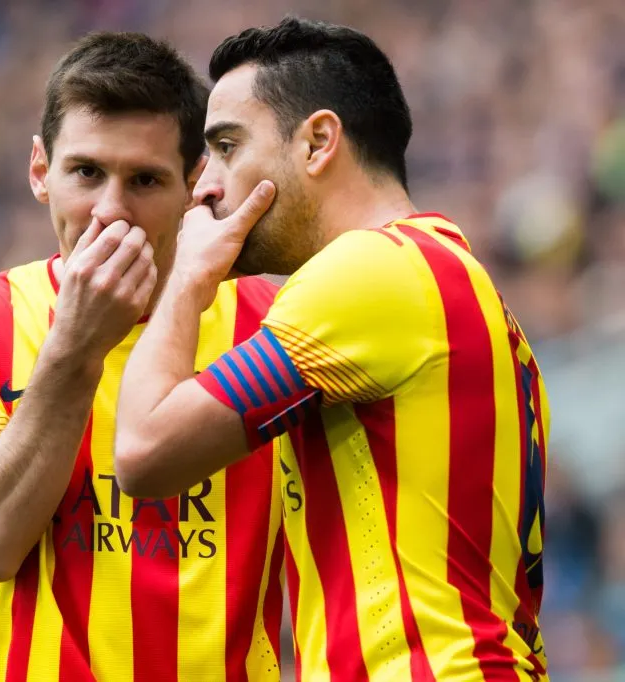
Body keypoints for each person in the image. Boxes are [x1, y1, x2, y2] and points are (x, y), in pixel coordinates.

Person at [114, 16, 550, 681]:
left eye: (228, 146)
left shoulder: (367, 276)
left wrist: (187, 281)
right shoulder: (445, 277)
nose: (204, 188)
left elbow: (144, 455)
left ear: (318, 141)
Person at [0, 32, 286, 682]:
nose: (110, 210)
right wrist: (75, 349)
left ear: (194, 183)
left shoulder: (275, 322)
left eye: (144, 179)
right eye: (86, 172)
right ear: (40, 171)